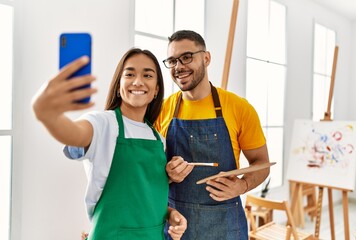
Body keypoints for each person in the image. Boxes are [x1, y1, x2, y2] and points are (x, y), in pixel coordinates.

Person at [32, 48, 187, 240]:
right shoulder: (103, 124)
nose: (138, 81)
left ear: (156, 89)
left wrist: (170, 214)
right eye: (129, 74)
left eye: (147, 75)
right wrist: (48, 115)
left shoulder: (158, 139)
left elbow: (143, 200)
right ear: (119, 85)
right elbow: (74, 133)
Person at [154, 30, 270, 240]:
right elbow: (149, 168)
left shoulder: (239, 108)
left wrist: (242, 185)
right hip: (176, 226)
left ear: (206, 58)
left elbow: (261, 163)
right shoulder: (162, 110)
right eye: (172, 61)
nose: (179, 67)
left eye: (187, 57)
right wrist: (167, 174)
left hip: (225, 226)